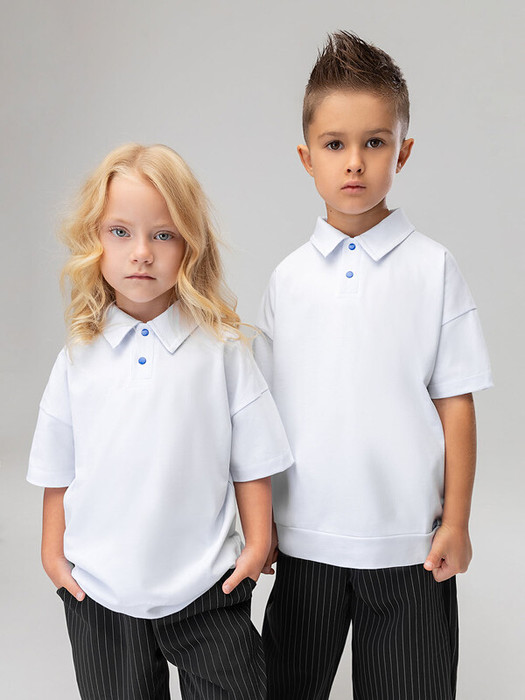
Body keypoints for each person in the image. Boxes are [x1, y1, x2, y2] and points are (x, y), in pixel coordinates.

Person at [254, 31, 492, 700]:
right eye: (334, 144)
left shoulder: (433, 269)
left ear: (402, 151)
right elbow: (260, 416)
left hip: (411, 549)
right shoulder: (288, 280)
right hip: (304, 547)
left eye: (375, 142)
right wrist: (260, 525)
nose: (354, 163)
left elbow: (455, 403)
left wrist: (455, 521)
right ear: (307, 157)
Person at [27, 143, 293, 700]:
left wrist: (257, 544)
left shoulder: (222, 349)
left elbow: (253, 460)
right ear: (95, 239)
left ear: (190, 243)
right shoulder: (77, 356)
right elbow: (58, 468)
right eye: (120, 232)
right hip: (100, 594)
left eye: (163, 234)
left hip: (207, 587)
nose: (142, 253)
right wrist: (54, 556)